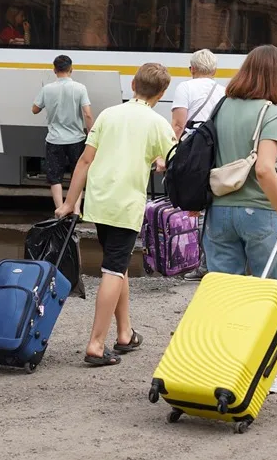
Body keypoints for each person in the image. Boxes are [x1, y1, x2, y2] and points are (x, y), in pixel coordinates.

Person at [55, 63, 177, 367]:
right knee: (112, 269)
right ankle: (96, 344)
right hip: (125, 204)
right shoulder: (157, 122)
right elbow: (176, 162)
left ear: (133, 84)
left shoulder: (109, 114)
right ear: (161, 94)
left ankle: (125, 333)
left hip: (100, 201)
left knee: (117, 264)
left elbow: (85, 161)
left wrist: (70, 202)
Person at [204, 44, 277, 394]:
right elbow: (264, 168)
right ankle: (263, 373)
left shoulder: (222, 107)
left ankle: (220, 366)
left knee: (222, 295)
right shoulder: (271, 112)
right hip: (259, 215)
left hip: (219, 212)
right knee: (266, 297)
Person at [171, 49, 226, 282]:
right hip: (215, 150)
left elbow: (177, 124)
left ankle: (194, 260)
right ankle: (209, 261)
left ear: (192, 69)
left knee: (192, 201)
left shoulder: (185, 88)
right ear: (214, 70)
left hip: (193, 151)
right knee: (210, 200)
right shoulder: (223, 91)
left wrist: (169, 154)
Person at [33, 56, 94, 216]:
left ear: (54, 70)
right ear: (71, 69)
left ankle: (60, 209)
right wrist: (92, 134)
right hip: (77, 139)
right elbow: (87, 114)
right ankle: (76, 209)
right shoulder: (80, 88)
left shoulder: (47, 89)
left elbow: (35, 109)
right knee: (78, 174)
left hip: (54, 140)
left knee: (55, 176)